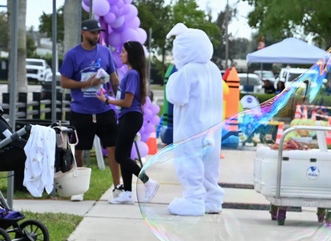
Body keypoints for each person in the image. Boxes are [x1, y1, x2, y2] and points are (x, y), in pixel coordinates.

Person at [164, 23, 225, 216]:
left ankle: (194, 200)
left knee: (189, 164)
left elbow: (177, 97)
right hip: (212, 129)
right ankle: (213, 199)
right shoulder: (214, 69)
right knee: (210, 167)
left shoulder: (188, 71)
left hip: (191, 128)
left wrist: (174, 77)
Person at [60, 17, 122, 201]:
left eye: (98, 33)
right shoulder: (73, 55)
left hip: (104, 109)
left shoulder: (105, 52)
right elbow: (64, 81)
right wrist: (87, 83)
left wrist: (119, 92)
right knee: (78, 150)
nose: (96, 36)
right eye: (93, 32)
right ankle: (79, 189)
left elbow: (114, 77)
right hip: (81, 110)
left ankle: (117, 187)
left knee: (113, 148)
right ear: (84, 33)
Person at [96, 41, 159, 205]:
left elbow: (127, 102)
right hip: (128, 117)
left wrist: (107, 100)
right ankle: (128, 193)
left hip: (131, 117)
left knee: (119, 155)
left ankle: (148, 182)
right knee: (124, 154)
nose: (121, 54)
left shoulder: (132, 75)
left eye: (123, 52)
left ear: (131, 54)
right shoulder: (134, 73)